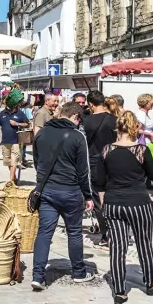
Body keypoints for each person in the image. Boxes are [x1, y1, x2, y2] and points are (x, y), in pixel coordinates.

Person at [30, 101, 95, 290]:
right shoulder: (77, 136)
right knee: (74, 232)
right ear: (75, 117)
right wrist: (88, 196)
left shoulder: (41, 133)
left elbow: (37, 161)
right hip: (71, 191)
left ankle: (38, 276)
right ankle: (78, 272)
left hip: (47, 190)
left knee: (44, 233)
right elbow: (84, 170)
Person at [99, 111, 153, 304]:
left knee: (117, 247)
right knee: (143, 243)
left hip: (114, 203)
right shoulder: (142, 150)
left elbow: (99, 181)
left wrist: (103, 203)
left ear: (118, 128)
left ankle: (119, 290)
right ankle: (150, 282)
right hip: (139, 203)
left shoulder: (107, 150)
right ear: (135, 129)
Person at [84, 90, 117, 249]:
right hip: (112, 160)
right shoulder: (114, 120)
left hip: (94, 162)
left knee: (98, 198)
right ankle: (116, 230)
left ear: (91, 104)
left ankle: (105, 233)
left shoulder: (87, 120)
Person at [0, 89, 29, 183]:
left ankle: (10, 181)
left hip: (16, 141)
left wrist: (17, 124)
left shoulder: (20, 113)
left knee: (14, 161)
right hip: (5, 141)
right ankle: (13, 177)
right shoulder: (2, 113)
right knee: (8, 162)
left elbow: (27, 124)